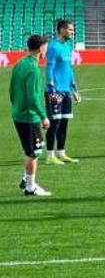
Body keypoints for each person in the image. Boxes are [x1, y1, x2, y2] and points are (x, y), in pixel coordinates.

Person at [10, 35, 51, 196]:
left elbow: (12, 89)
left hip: (19, 113)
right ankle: (30, 187)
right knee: (33, 152)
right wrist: (43, 116)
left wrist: (16, 105)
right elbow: (32, 97)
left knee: (36, 147)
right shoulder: (33, 69)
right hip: (29, 116)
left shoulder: (20, 63)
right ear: (41, 48)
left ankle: (25, 179)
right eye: (45, 48)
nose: (46, 51)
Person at [44, 19, 80, 165]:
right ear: (62, 30)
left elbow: (69, 69)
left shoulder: (67, 47)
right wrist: (52, 90)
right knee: (54, 123)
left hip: (66, 91)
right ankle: (49, 156)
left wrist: (74, 89)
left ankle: (61, 153)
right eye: (70, 30)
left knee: (64, 123)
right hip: (56, 91)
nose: (72, 32)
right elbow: (49, 69)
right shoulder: (53, 47)